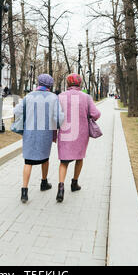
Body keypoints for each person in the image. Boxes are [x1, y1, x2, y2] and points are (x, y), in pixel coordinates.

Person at [13, 74, 64, 203]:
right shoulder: (53, 98)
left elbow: (17, 111)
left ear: (38, 82)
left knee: (28, 161)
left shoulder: (29, 96)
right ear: (50, 85)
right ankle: (44, 182)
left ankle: (24, 191)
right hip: (45, 133)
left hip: (29, 132)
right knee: (45, 158)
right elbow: (59, 117)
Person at [56, 74, 101, 203]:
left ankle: (61, 187)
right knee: (79, 158)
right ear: (79, 83)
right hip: (81, 133)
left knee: (64, 161)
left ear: (68, 83)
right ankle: (74, 183)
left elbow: (55, 115)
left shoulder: (60, 96)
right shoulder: (86, 97)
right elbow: (95, 114)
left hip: (64, 133)